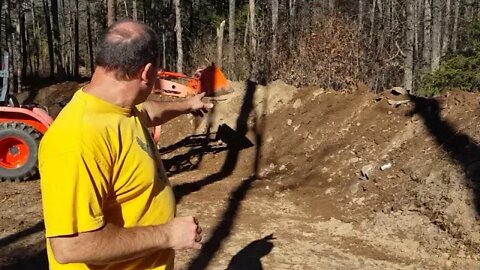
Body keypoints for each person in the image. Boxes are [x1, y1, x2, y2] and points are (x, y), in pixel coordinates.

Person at [38, 20, 212, 270]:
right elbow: (70, 246)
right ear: (147, 72)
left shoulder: (121, 109)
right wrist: (168, 235)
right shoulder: (76, 139)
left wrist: (188, 105)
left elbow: (149, 112)